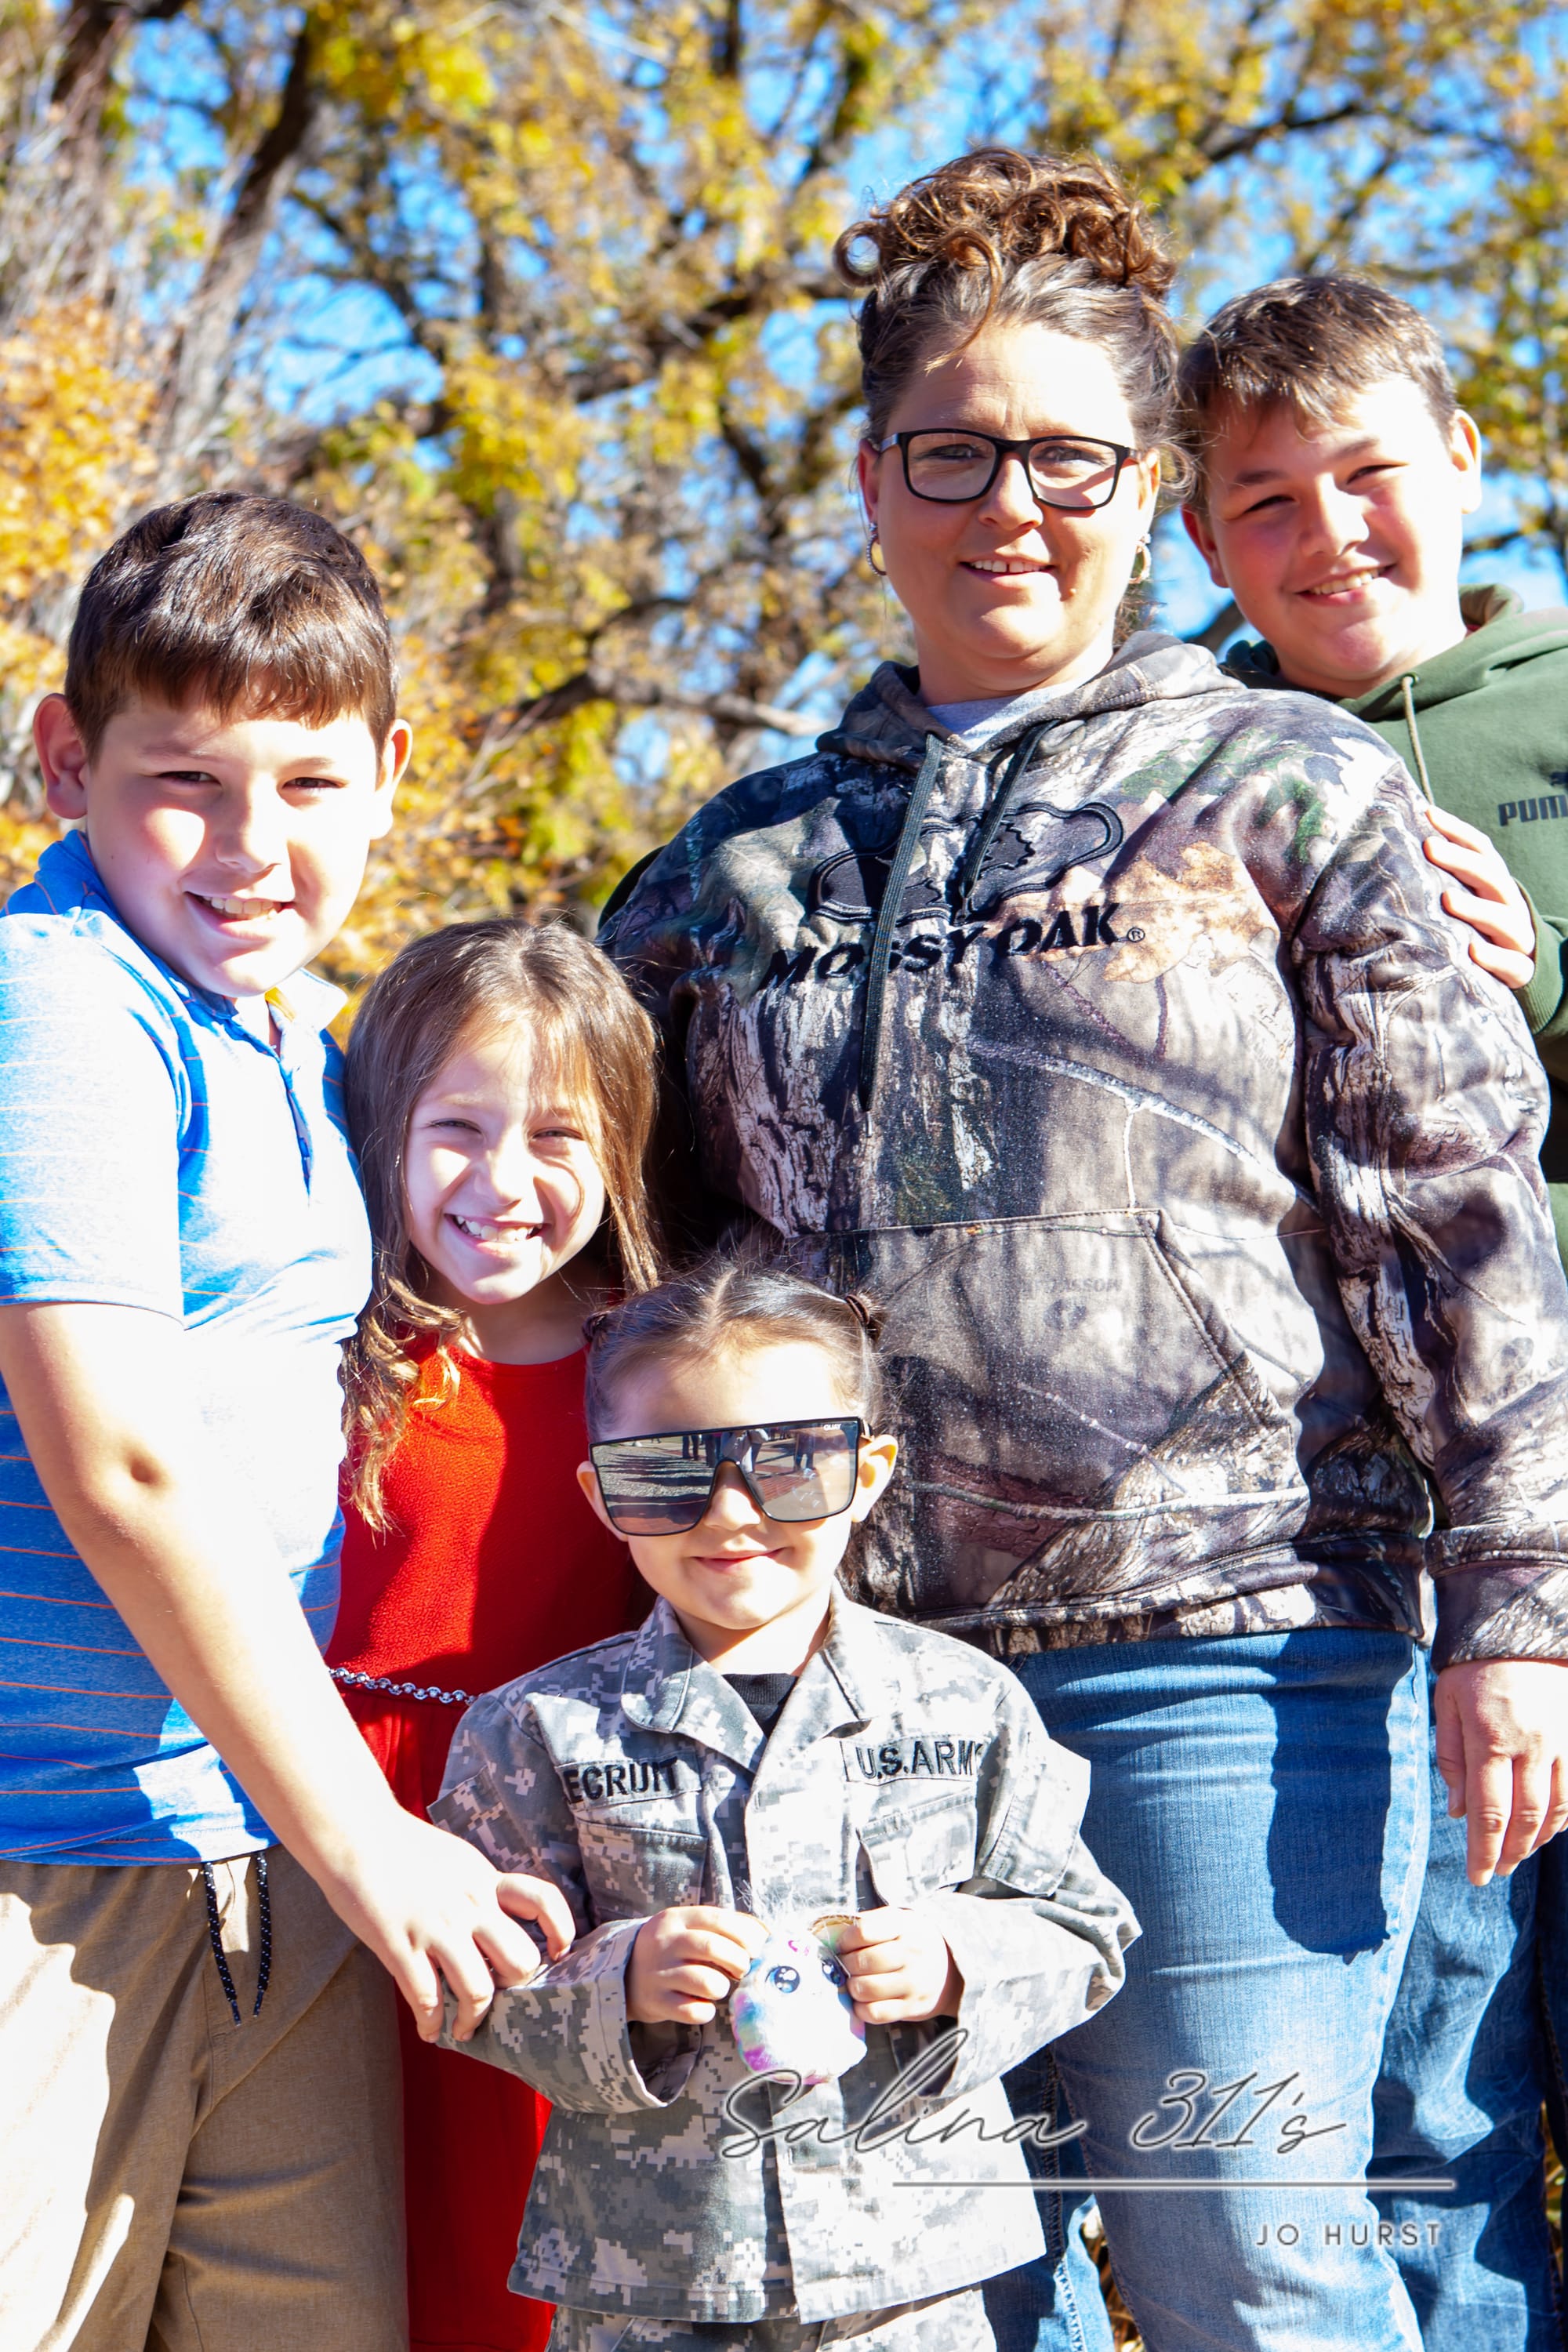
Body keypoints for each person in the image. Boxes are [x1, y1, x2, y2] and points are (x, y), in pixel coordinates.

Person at [597, 148, 1568, 2352]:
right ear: (873, 479)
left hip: (1235, 1665)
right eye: (953, 453)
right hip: (858, 1698)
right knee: (939, 2296)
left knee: (1255, 2260)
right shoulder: (736, 865)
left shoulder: (1288, 788)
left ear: (1145, 493)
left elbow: (1459, 1213)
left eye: (1070, 458)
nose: (1009, 507)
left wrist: (1520, 1609)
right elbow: (583, 1214)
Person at [0, 493, 570, 2352]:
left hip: (269, 1864)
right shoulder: (59, 1004)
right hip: (56, 1859)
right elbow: (122, 1462)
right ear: (64, 760)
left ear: (394, 775)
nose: (254, 848)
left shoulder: (306, 1040)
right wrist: (372, 1841)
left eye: (312, 785)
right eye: (186, 783)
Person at [1177, 272, 1568, 2352]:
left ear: (1468, 462)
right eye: (1264, 499)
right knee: (1430, 2100)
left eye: (1367, 473)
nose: (1328, 533)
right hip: (1393, 1561)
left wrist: (1541, 984)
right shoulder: (1185, 759)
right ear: (1197, 533)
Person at [429, 1258, 1139, 2352]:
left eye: (791, 1463)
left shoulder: (968, 1703)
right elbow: (466, 1988)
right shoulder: (536, 1732)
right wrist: (620, 1981)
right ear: (602, 1495)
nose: (731, 1511)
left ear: (869, 1471)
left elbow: (1084, 1929)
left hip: (914, 2280)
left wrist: (955, 1960)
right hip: (656, 2284)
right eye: (666, 1472)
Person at [327, 916, 661, 2352]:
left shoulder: (647, 1365)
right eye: (456, 1130)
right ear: (385, 1133)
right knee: (342, 2233)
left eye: (558, 1136)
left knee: (504, 2251)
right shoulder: (329, 1340)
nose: (505, 1182)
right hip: (325, 1814)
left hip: (540, 1850)